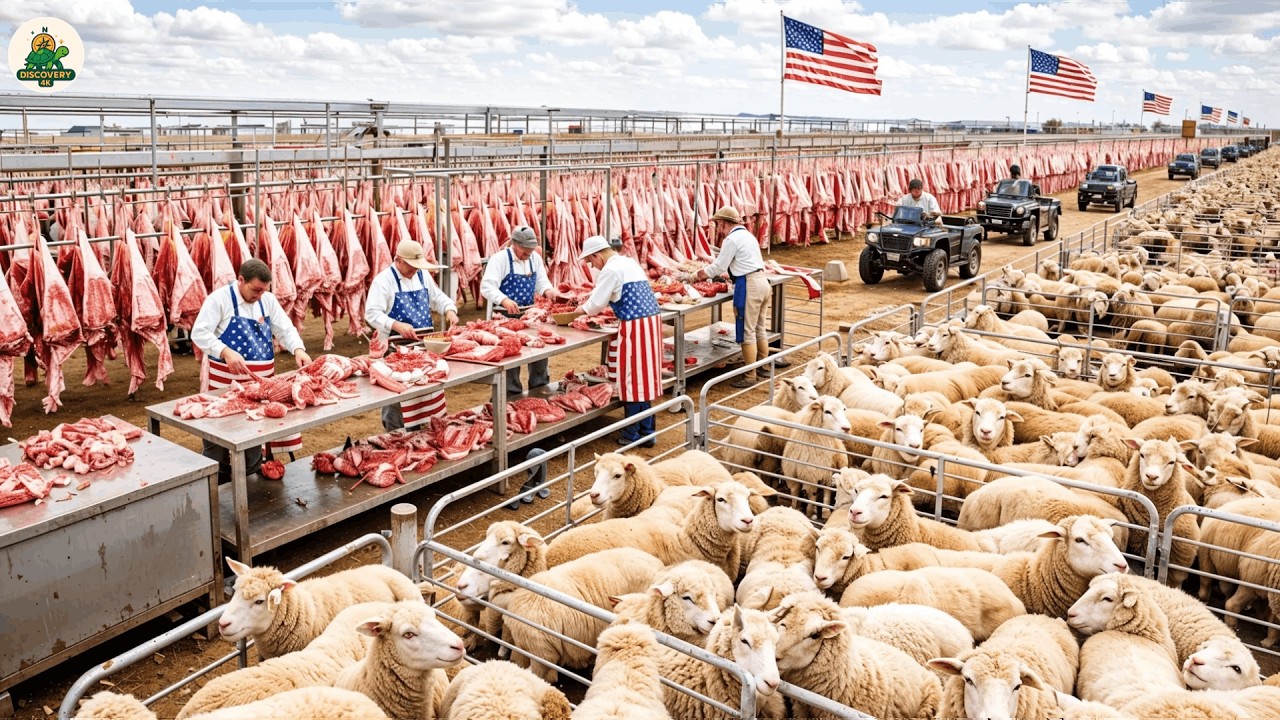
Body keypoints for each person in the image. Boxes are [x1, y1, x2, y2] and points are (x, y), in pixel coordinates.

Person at [191, 258, 311, 479]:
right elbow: (199, 332)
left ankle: (251, 479)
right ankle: (215, 481)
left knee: (253, 435)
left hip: (259, 388)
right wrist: (225, 351)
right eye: (255, 290)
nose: (259, 295)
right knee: (216, 439)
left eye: (264, 290)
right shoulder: (219, 299)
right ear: (241, 280)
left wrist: (298, 349)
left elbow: (285, 329)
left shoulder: (267, 301)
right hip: (224, 387)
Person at [684, 206, 789, 389]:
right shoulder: (748, 235)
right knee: (759, 328)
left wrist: (695, 275)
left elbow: (718, 267)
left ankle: (750, 375)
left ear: (725, 223)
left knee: (747, 331)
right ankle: (762, 366)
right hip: (762, 282)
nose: (718, 228)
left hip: (749, 285)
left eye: (718, 224)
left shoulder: (731, 239)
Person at [576, 235, 663, 447]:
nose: (592, 266)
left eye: (591, 262)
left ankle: (631, 434)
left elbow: (595, 305)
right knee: (645, 381)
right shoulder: (628, 262)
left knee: (632, 381)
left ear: (597, 256)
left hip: (635, 327)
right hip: (651, 323)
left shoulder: (610, 270)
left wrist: (576, 312)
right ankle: (648, 432)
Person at [365, 239, 459, 431]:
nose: (415, 269)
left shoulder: (422, 275)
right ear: (398, 260)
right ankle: (395, 433)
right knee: (399, 396)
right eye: (411, 265)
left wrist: (449, 310)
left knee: (427, 391)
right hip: (395, 349)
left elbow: (437, 298)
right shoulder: (383, 281)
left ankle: (424, 431)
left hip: (423, 347)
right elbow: (372, 313)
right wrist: (396, 325)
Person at [479, 225, 559, 395]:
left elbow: (541, 281)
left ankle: (539, 391)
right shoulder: (500, 259)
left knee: (539, 354)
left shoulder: (534, 258)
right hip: (504, 317)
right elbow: (487, 286)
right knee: (511, 358)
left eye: (531, 249)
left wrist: (548, 291)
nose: (528, 253)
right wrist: (504, 300)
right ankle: (510, 397)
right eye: (525, 249)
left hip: (530, 316)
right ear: (514, 244)